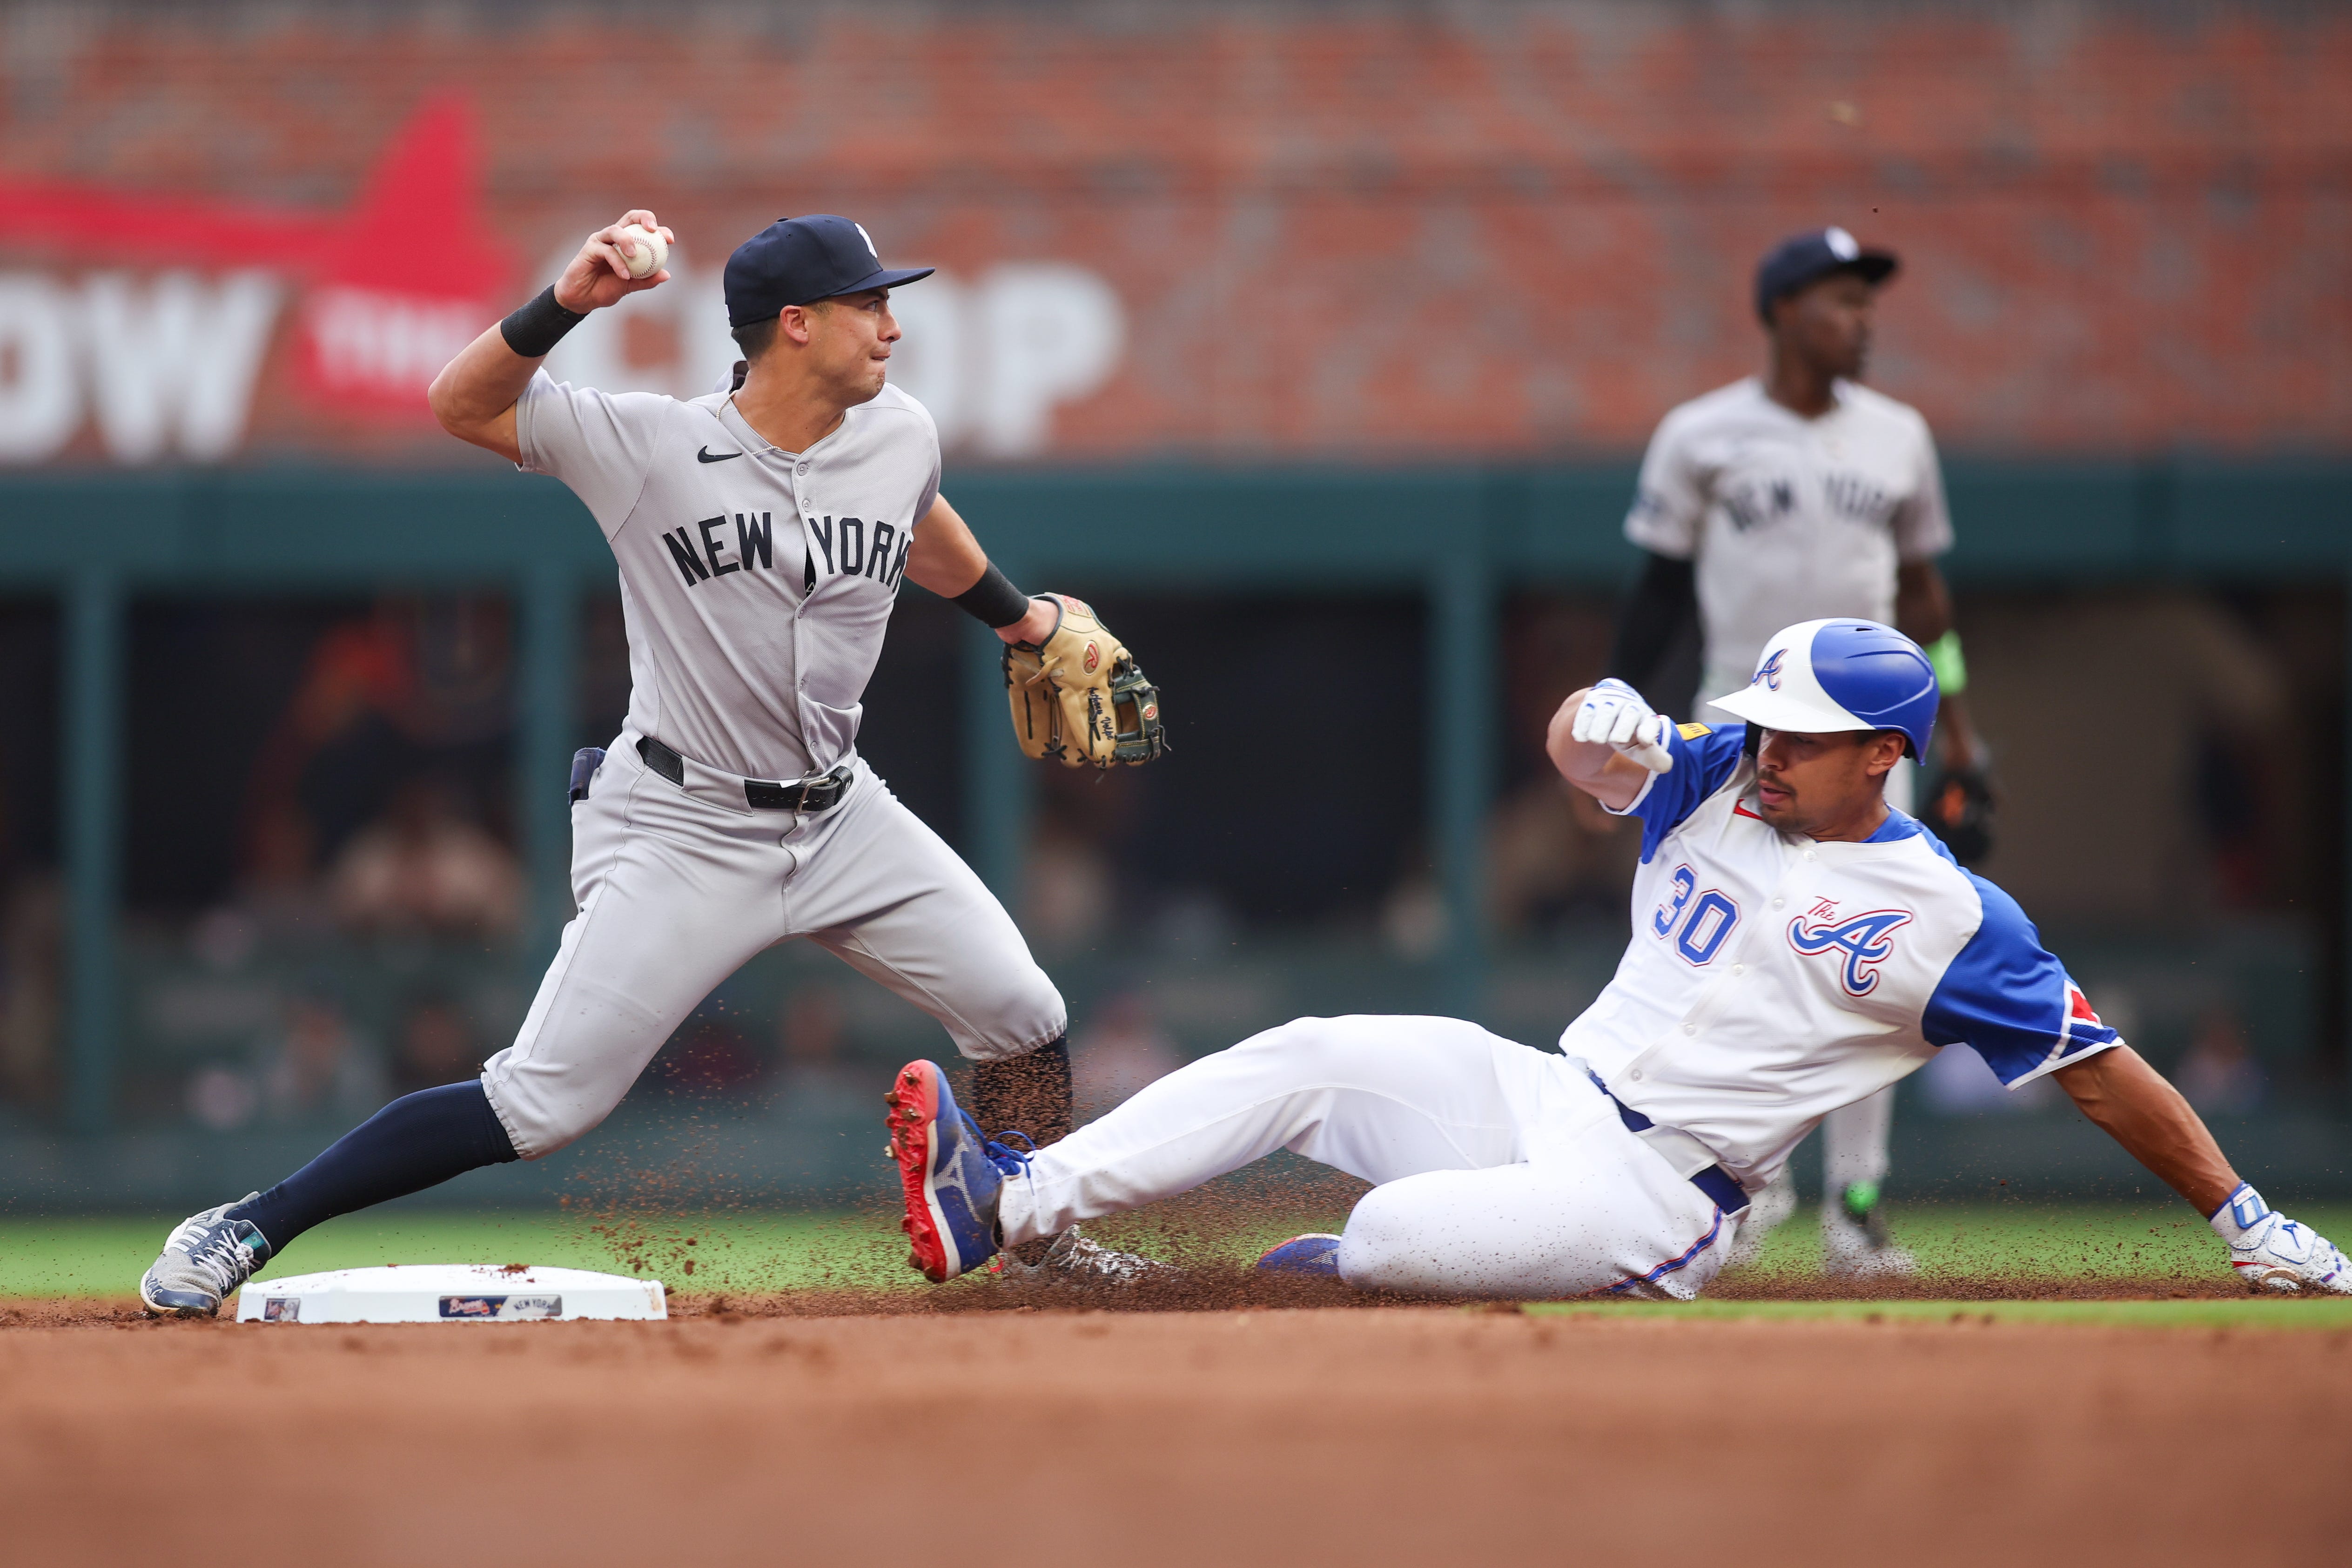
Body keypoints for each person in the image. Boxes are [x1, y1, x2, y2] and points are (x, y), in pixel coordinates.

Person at [139, 210, 1132, 1314]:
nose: (892, 325)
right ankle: (245, 1223)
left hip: (844, 814)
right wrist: (569, 301)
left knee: (1024, 1013)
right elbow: (458, 403)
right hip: (682, 824)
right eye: (870, 304)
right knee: (538, 1106)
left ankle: (1036, 1234)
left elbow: (916, 519)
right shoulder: (651, 444)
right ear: (796, 326)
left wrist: (1022, 620)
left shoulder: (900, 432)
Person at [881, 621, 2349, 1301]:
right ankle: (1010, 1195)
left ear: (1881, 756)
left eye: (1801, 733)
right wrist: (1602, 719)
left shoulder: (1956, 919)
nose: (1767, 746)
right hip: (1548, 1089)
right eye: (1762, 719)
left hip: (1664, 1188)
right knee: (1312, 1046)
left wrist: (2241, 1212)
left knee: (1392, 1232)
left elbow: (2095, 1069)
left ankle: (1392, 1262)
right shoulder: (1716, 770)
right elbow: (1575, 750)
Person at [1609, 226, 1989, 1274]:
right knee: (1720, 954)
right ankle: (1732, 1182)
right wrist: (1619, 717)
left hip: (1869, 741)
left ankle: (1854, 1204)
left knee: (1873, 958)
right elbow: (1655, 597)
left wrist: (1959, 730)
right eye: (1839, 299)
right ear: (1779, 311)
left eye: (1868, 301)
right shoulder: (1699, 433)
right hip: (1737, 729)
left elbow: (1926, 599)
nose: (1862, 319)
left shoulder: (1898, 434)